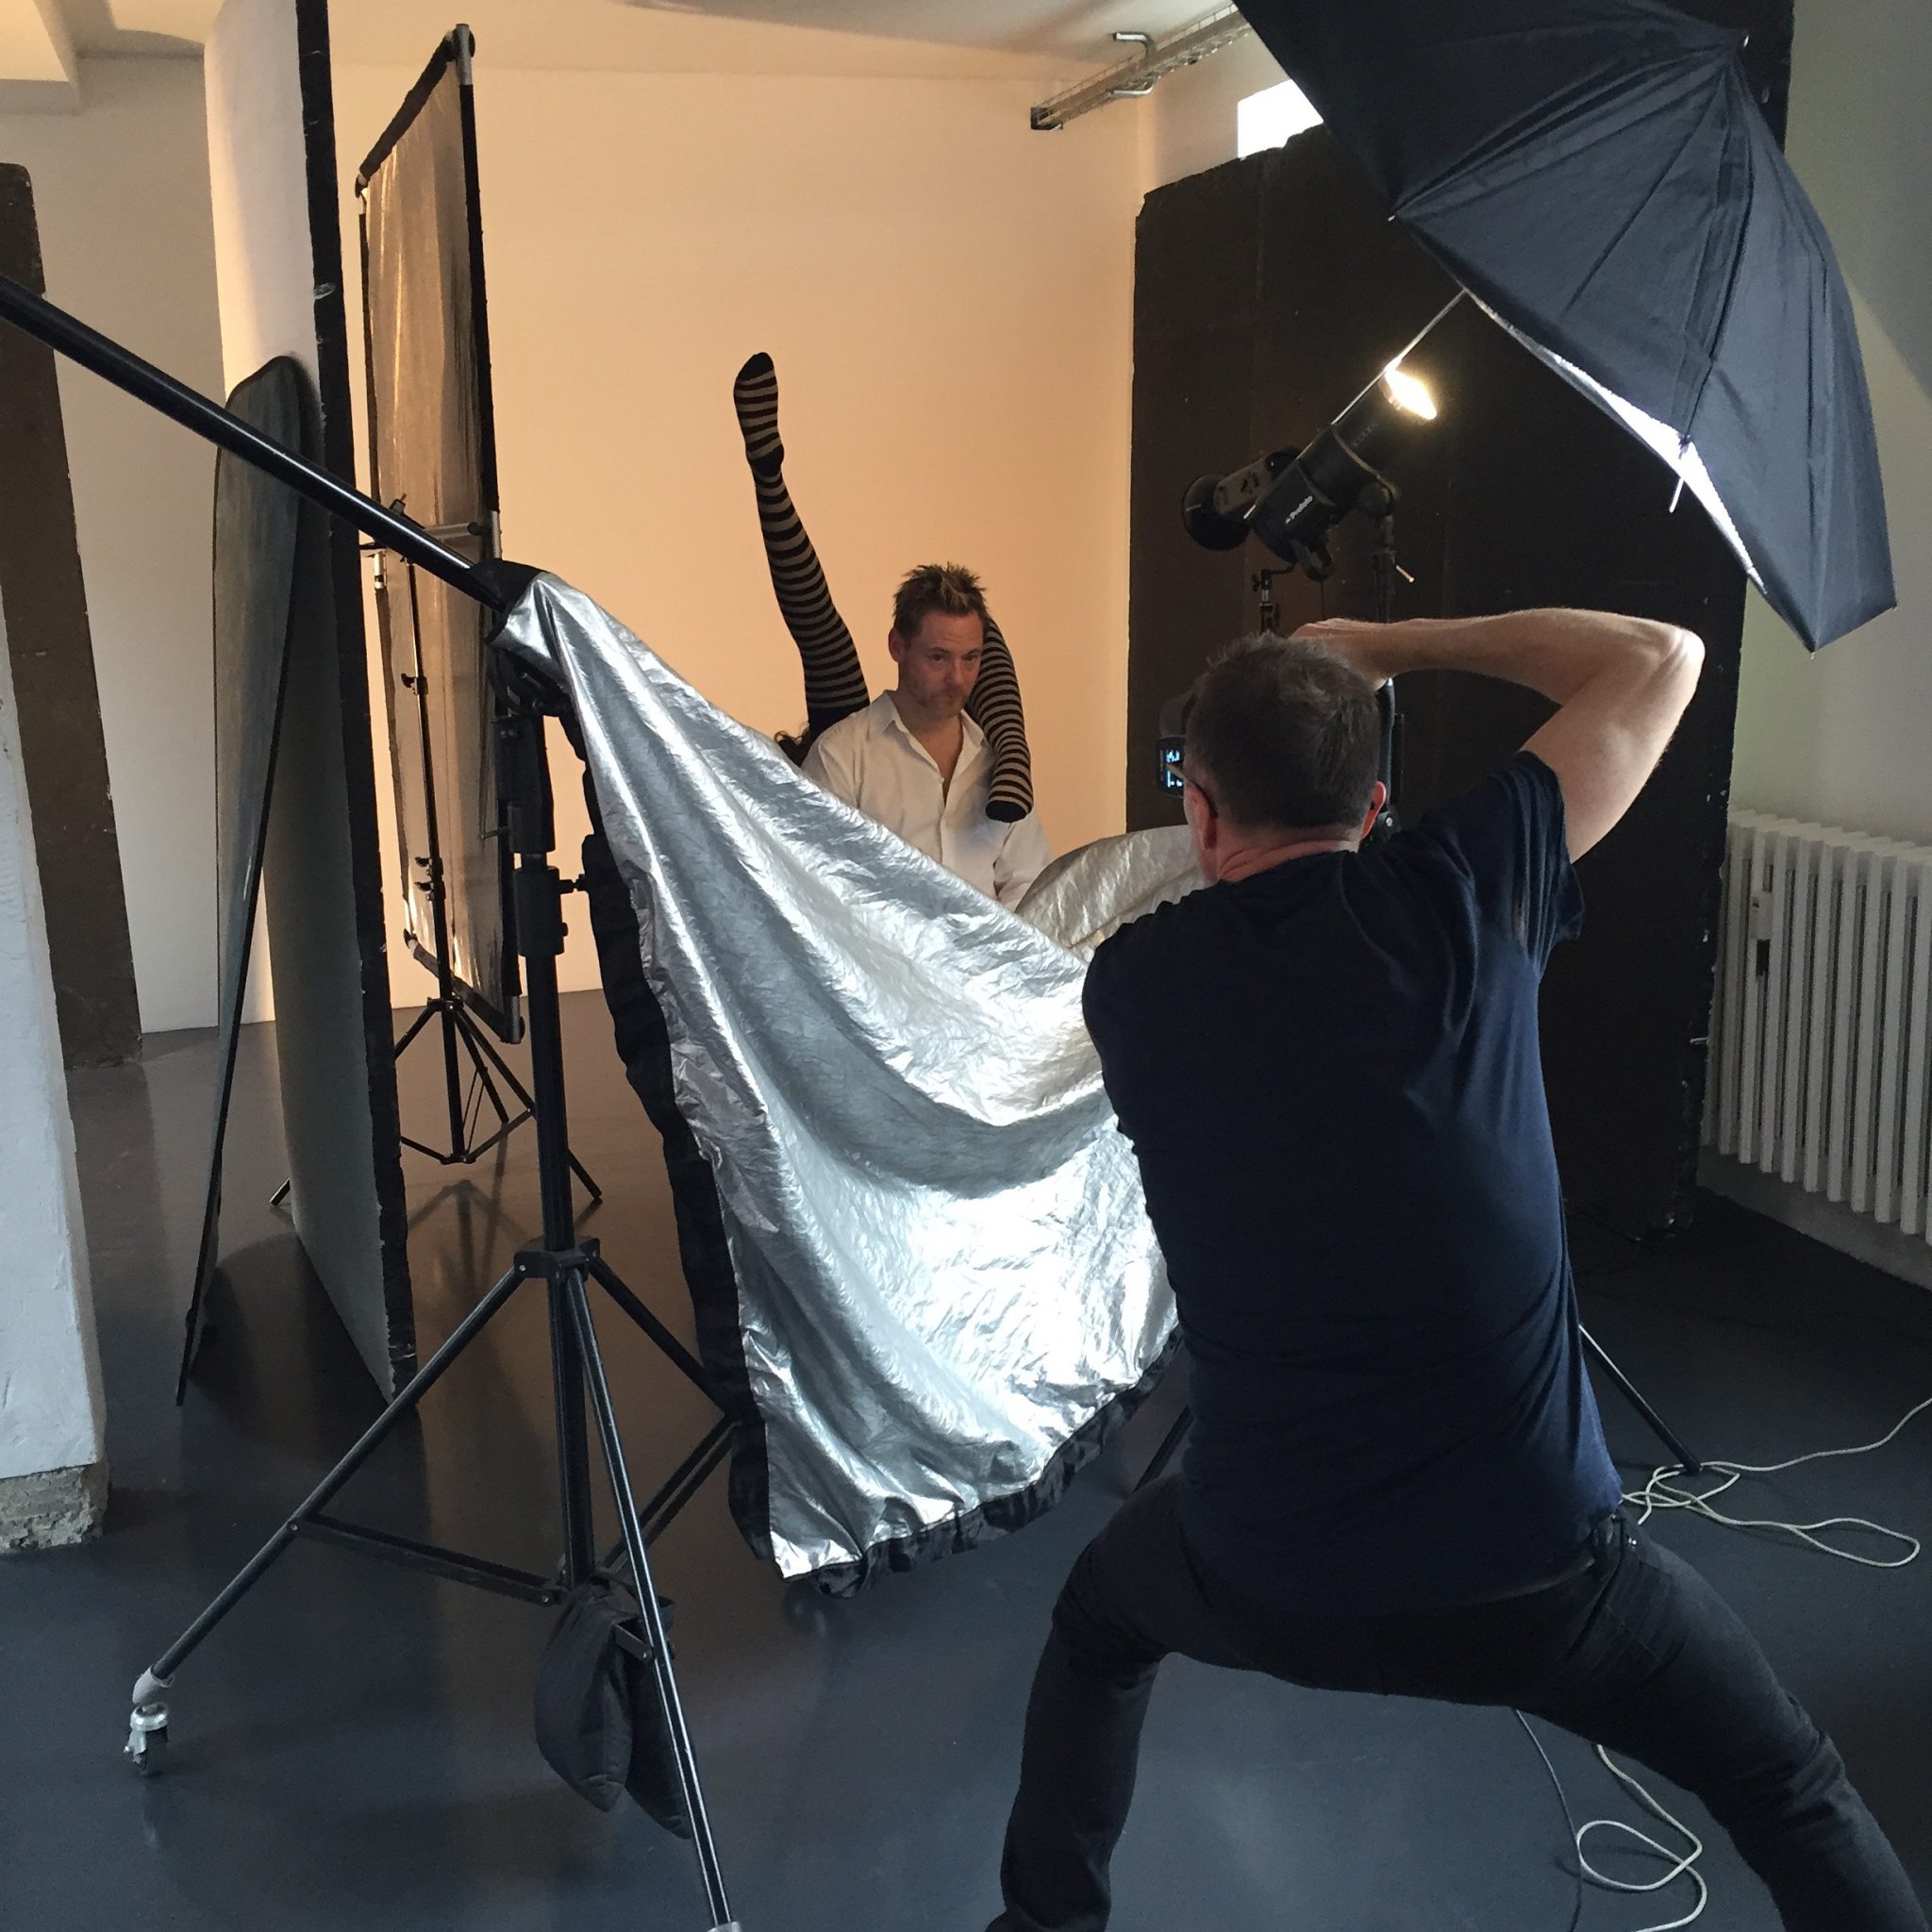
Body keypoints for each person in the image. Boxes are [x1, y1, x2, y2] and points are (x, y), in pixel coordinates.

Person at [987, 610, 1928, 1932]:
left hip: (1261, 1570)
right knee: (1791, 1788)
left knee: (1099, 1622)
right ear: (1375, 805)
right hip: (1537, 1580)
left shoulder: (1133, 987)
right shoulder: (1469, 889)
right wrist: (1387, 641)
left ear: (1198, 812)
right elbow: (1663, 659)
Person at [800, 563, 1051, 910]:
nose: (957, 678)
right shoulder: (841, 755)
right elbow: (821, 887)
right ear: (897, 646)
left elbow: (1030, 885)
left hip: (990, 946)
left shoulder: (996, 761)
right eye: (938, 657)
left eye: (971, 658)